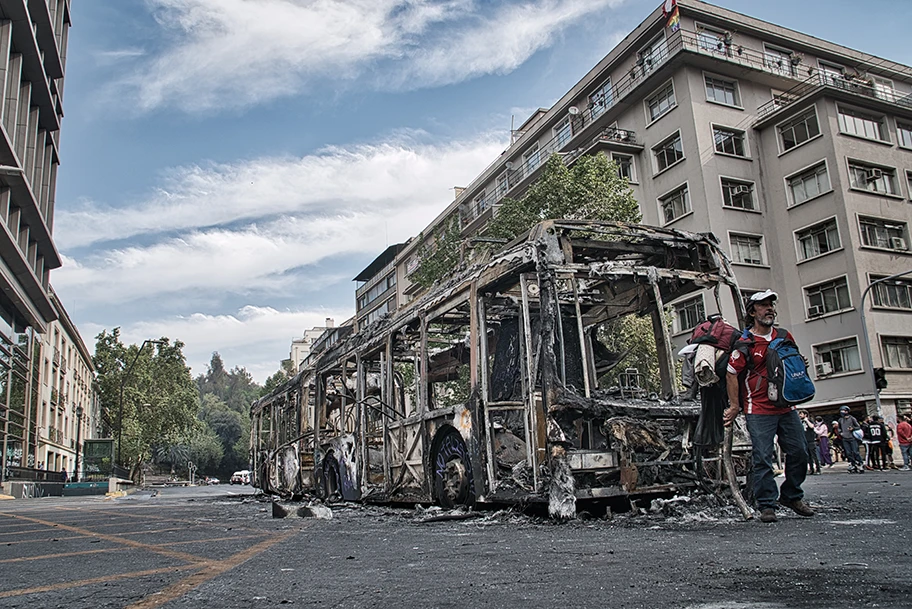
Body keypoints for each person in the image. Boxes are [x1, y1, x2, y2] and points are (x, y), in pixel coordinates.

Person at [724, 289, 814, 523]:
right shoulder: (745, 343)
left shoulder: (784, 336)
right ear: (753, 312)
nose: (769, 309)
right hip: (759, 409)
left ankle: (792, 495)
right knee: (763, 457)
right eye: (763, 306)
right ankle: (767, 505)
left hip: (786, 407)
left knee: (800, 452)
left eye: (771, 305)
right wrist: (735, 406)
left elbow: (794, 360)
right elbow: (731, 373)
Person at [837, 406, 864, 473]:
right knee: (848, 453)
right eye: (841, 410)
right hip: (845, 438)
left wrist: (853, 428)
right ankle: (852, 464)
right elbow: (839, 428)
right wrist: (841, 433)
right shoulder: (840, 420)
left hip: (852, 438)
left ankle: (860, 463)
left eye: (843, 410)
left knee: (855, 452)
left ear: (847, 411)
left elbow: (858, 426)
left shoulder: (852, 419)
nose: (842, 412)